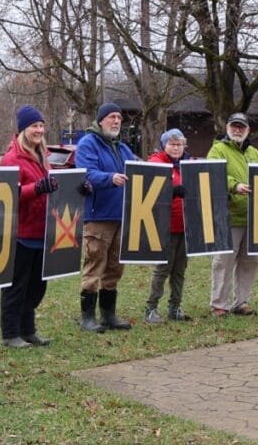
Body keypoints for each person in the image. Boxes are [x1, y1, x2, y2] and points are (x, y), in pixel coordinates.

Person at [75, 102, 138, 332]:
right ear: (100, 120)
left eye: (119, 118)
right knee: (95, 265)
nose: (116, 121)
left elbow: (138, 168)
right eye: (111, 117)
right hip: (98, 217)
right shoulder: (87, 144)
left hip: (121, 216)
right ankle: (87, 318)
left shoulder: (121, 148)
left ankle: (108, 315)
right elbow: (86, 174)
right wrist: (110, 178)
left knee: (114, 267)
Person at [0, 106, 56, 348]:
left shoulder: (43, 157)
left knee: (36, 286)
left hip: (41, 232)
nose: (39, 130)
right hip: (20, 234)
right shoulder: (11, 159)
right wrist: (37, 189)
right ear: (23, 129)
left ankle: (28, 329)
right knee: (16, 286)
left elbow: (52, 186)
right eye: (34, 126)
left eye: (41, 126)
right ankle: (11, 333)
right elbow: (5, 194)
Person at [206, 112, 258, 317]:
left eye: (241, 126)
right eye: (234, 126)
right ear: (227, 128)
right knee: (224, 262)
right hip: (229, 217)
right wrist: (234, 185)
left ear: (248, 130)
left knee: (251, 262)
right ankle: (219, 304)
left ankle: (241, 302)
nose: (237, 129)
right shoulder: (218, 150)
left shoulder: (255, 153)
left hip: (253, 218)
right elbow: (213, 173)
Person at [144, 128, 192, 324]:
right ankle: (151, 308)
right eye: (172, 144)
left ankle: (175, 306)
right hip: (164, 226)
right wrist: (172, 191)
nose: (176, 147)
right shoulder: (156, 163)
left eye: (179, 144)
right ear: (164, 145)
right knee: (163, 268)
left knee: (180, 269)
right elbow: (150, 188)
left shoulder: (188, 165)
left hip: (186, 226)